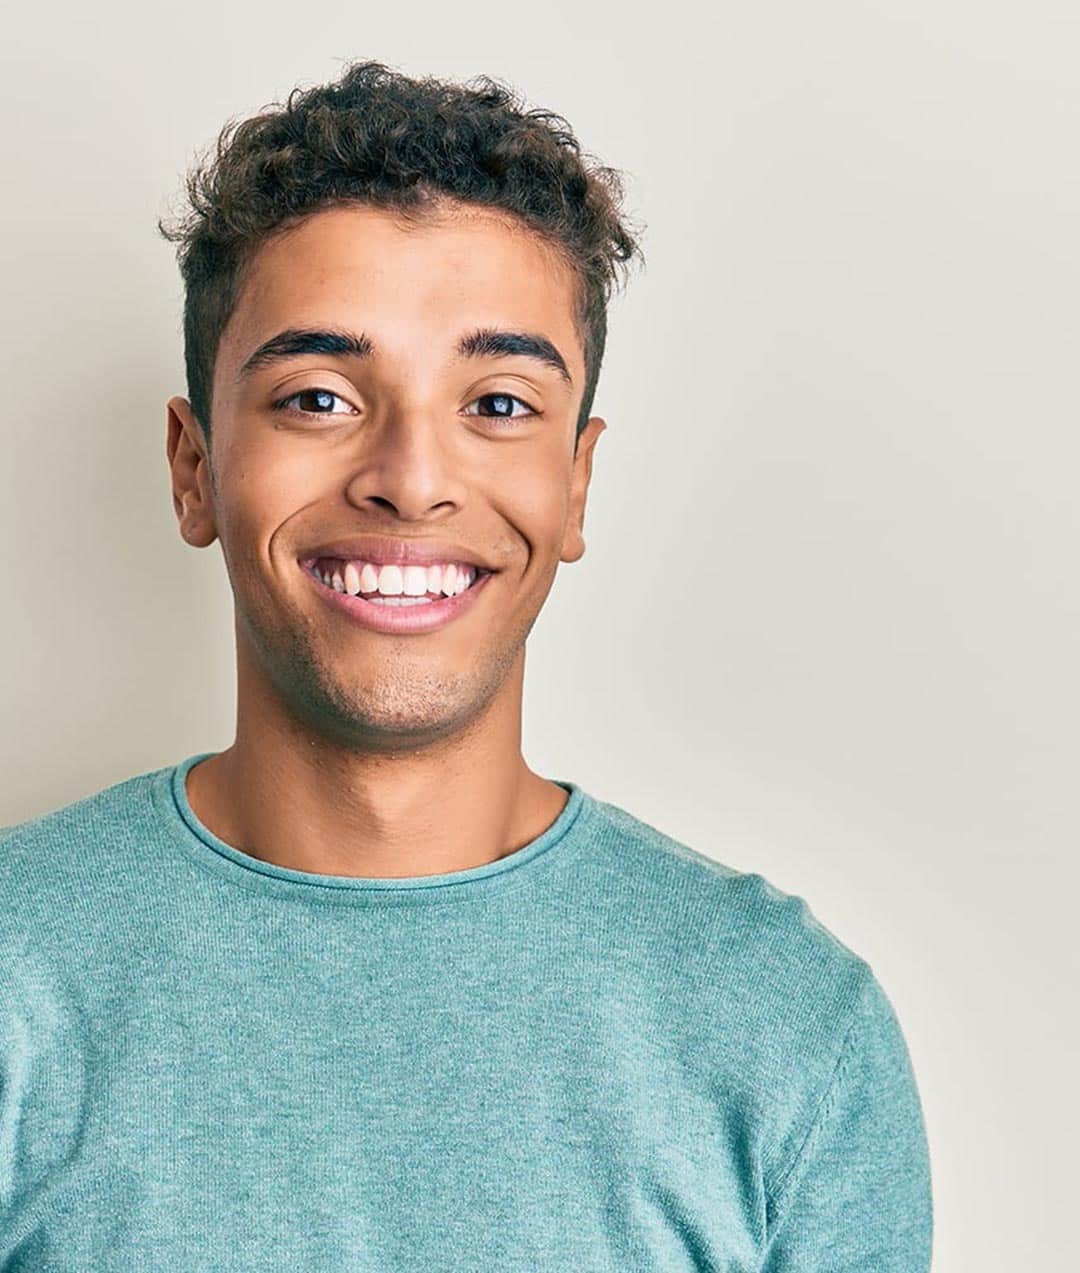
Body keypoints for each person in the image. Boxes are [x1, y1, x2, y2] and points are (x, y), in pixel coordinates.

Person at [0, 60, 932, 1270]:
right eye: (320, 395)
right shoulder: (18, 982)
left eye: (496, 404)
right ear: (193, 468)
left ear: (577, 481)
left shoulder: (788, 1026)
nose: (412, 475)